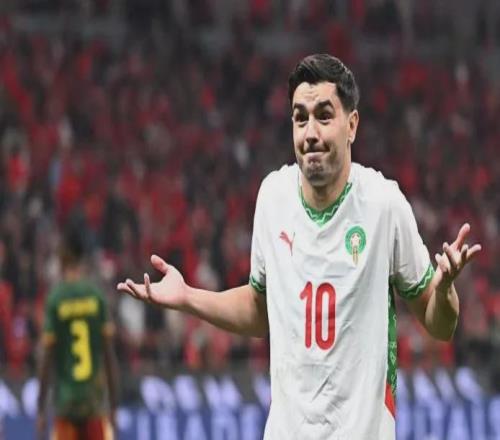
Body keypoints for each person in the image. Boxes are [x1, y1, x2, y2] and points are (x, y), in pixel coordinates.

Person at [117, 53, 481, 439]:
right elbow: (259, 309)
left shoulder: (383, 203)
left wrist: (445, 289)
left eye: (324, 116)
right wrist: (188, 297)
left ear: (352, 125)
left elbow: (441, 326)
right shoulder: (273, 197)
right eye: (300, 118)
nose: (310, 133)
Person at [37, 228, 118, 440]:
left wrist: (40, 408)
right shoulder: (96, 296)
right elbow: (109, 356)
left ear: (62, 259)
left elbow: (47, 358)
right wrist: (114, 406)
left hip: (66, 403)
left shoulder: (56, 299)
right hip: (94, 403)